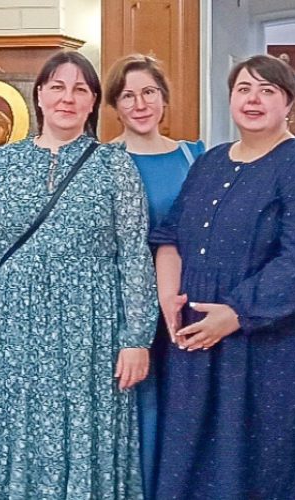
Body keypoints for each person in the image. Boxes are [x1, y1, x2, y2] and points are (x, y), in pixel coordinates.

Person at [0, 50, 158, 499]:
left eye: (80, 89)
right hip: (13, 330)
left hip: (92, 332)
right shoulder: (2, 165)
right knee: (14, 430)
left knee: (85, 431)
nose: (68, 98)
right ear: (40, 95)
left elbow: (133, 256)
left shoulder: (114, 165)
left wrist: (136, 338)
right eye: (58, 87)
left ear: (93, 102)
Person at [152, 54, 295, 499]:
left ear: (289, 104)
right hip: (196, 338)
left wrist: (236, 314)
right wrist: (168, 296)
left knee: (265, 462)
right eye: (244, 89)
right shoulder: (210, 162)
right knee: (196, 457)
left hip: (272, 343)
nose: (253, 99)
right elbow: (170, 236)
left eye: (267, 90)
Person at [103, 53, 205, 500]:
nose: (140, 104)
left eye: (149, 92)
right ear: (114, 105)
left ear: (164, 99)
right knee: (135, 407)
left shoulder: (194, 155)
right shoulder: (101, 161)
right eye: (128, 96)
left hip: (183, 301)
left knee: (181, 407)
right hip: (121, 305)